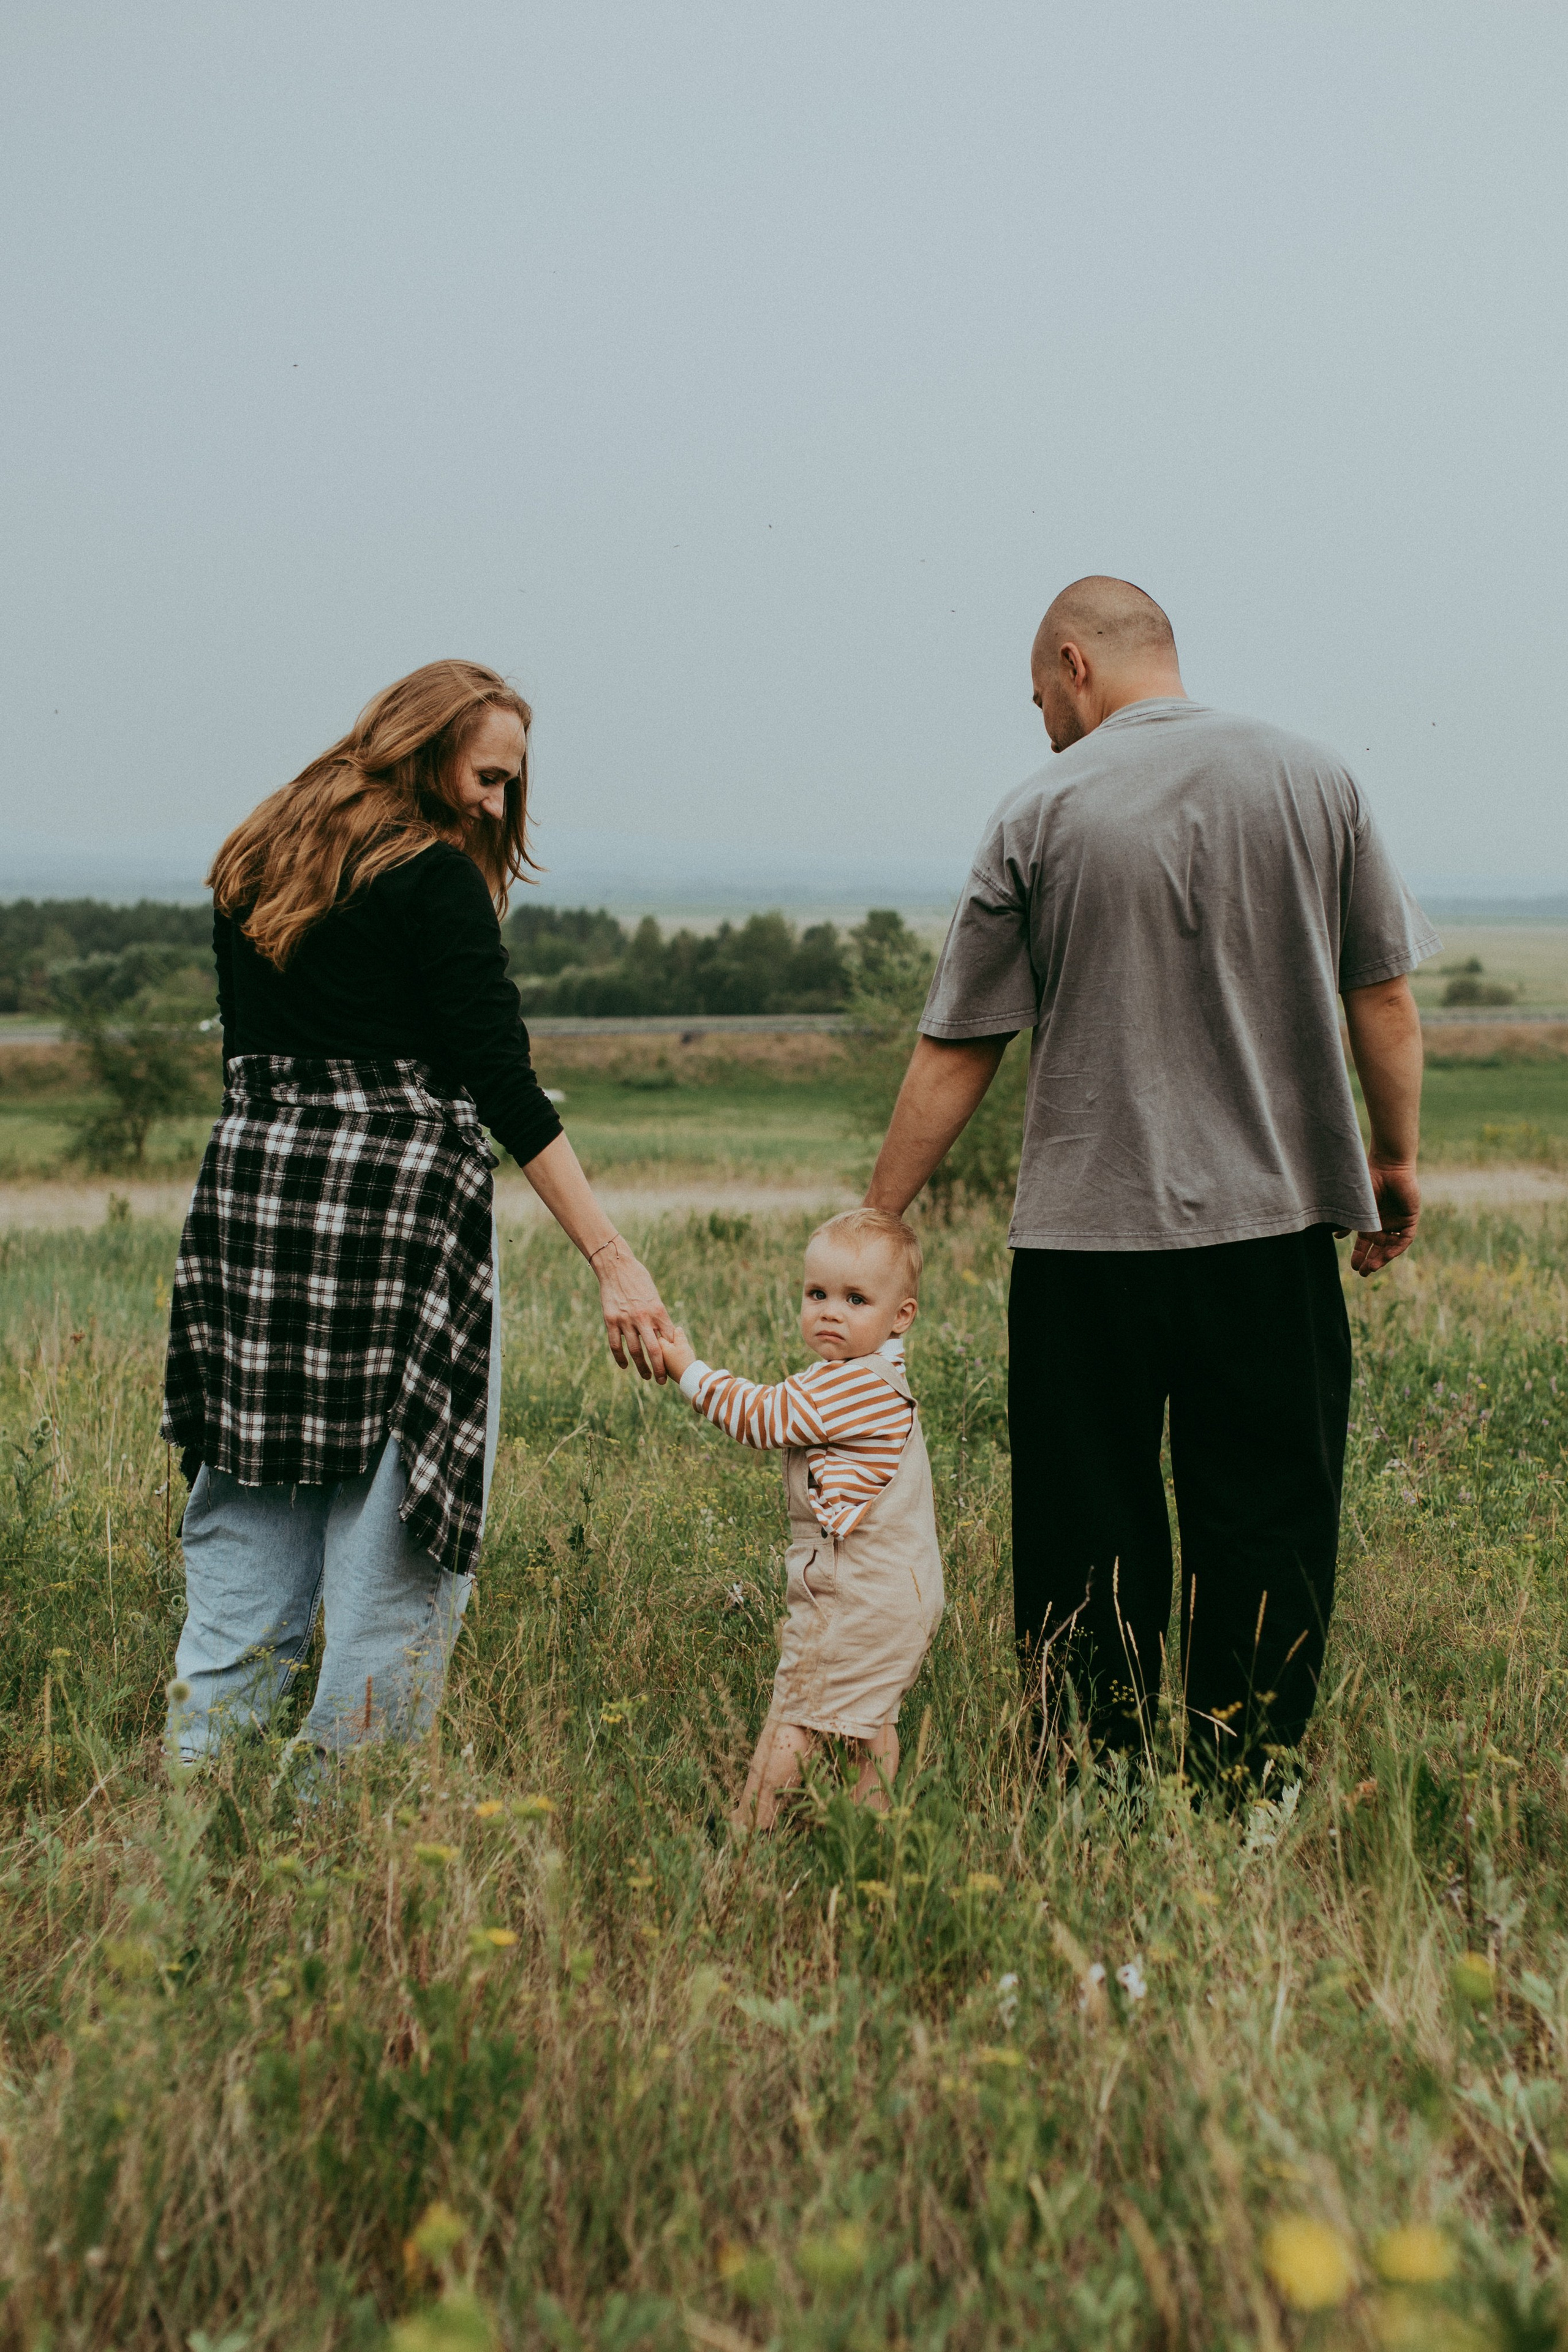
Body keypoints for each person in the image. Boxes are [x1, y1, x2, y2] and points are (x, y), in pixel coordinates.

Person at [865, 578, 1436, 1787]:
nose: (1041, 723)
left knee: (1086, 1536)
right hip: (1270, 1231)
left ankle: (1094, 1791)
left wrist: (878, 1216)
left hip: (1083, 1250)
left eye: (1037, 698)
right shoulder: (1315, 780)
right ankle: (1248, 1785)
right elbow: (1379, 996)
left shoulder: (1036, 810)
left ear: (1074, 664)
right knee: (1268, 1520)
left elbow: (956, 1046)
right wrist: (1388, 1165)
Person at [162, 658, 674, 1762]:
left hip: (254, 1208)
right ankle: (337, 1827)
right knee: (399, 1534)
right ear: (424, 742)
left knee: (248, 1512)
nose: (494, 806)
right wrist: (613, 1260)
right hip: (394, 1222)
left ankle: (197, 1805)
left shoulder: (256, 851)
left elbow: (249, 1059)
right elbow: (503, 1081)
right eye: (488, 778)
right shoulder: (432, 876)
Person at [663, 1208, 944, 1830]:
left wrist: (688, 1370)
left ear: (901, 1317)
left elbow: (760, 1417)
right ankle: (865, 1835)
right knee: (869, 1723)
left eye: (855, 1299)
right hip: (898, 1594)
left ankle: (745, 1831)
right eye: (816, 1294)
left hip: (857, 1595)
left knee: (798, 1709)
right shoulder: (867, 1378)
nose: (830, 1311)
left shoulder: (856, 1387)